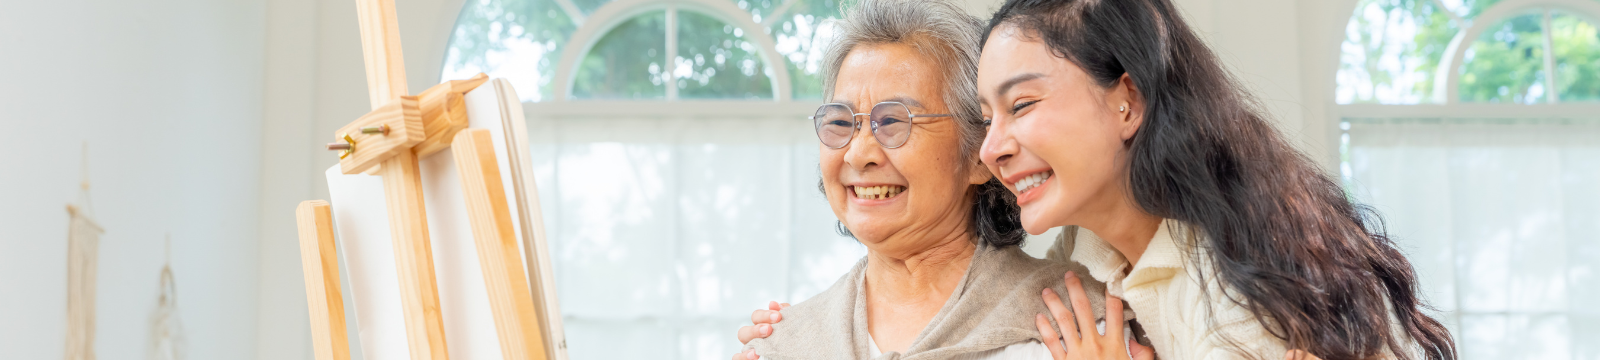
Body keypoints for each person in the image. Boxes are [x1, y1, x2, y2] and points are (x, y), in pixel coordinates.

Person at [975, 0, 1458, 359]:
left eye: (1021, 105)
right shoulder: (1086, 246)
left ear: (1130, 101)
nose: (991, 149)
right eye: (985, 119)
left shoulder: (1240, 301)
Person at [730, 0, 1149, 359]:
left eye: (893, 121)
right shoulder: (788, 343)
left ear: (978, 154)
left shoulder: (1082, 327)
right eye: (841, 122)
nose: (859, 153)